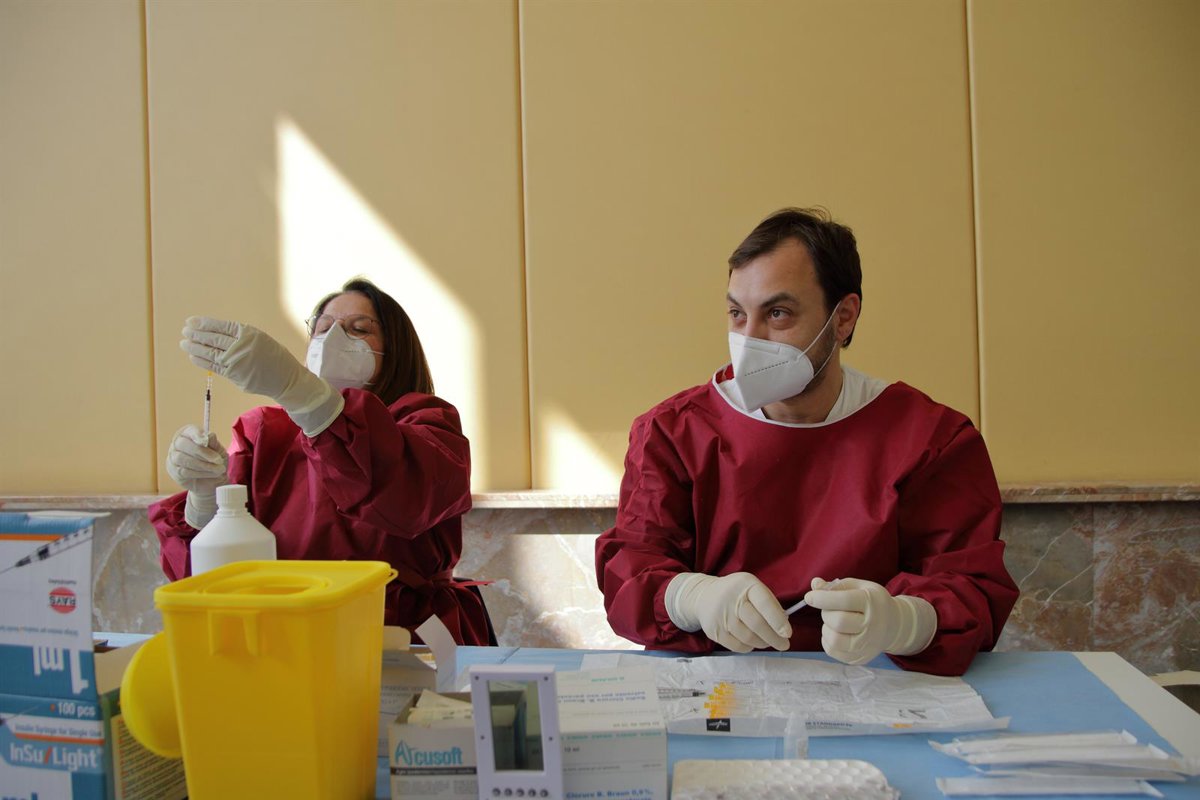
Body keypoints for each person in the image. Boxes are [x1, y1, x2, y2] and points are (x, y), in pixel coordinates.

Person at [594, 208, 1018, 676]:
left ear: (843, 318)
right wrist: (692, 597)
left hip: (876, 683)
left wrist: (905, 621)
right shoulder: (674, 433)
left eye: (778, 314)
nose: (749, 340)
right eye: (737, 314)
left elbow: (970, 586)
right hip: (720, 686)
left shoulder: (931, 440)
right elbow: (631, 570)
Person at [150, 278, 492, 645]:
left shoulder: (427, 423)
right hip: (291, 637)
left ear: (396, 350)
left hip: (401, 636)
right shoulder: (263, 433)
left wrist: (300, 391)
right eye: (323, 328)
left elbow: (405, 495)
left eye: (358, 329)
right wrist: (206, 504)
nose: (332, 340)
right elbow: (213, 581)